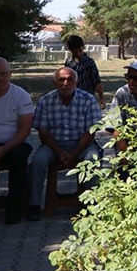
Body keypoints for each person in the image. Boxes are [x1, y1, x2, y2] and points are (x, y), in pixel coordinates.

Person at [28, 67, 102, 220]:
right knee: (37, 162)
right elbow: (43, 132)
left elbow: (91, 132)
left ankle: (93, 206)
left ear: (77, 82)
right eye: (61, 80)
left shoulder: (88, 99)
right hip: (53, 145)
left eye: (70, 79)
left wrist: (74, 154)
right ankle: (33, 206)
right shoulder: (46, 101)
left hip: (82, 145)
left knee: (92, 160)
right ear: (54, 83)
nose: (65, 83)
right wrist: (58, 152)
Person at [0, 57, 34, 224]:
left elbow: (25, 129)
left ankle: (14, 210)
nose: (0, 78)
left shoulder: (21, 96)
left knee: (18, 159)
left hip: (13, 144)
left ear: (10, 74)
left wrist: (4, 149)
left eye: (4, 74)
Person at [64, 35, 105, 109]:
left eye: (79, 50)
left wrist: (101, 98)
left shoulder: (89, 62)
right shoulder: (68, 62)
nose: (78, 53)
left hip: (87, 99)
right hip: (72, 99)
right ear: (70, 50)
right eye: (74, 51)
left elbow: (97, 81)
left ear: (83, 47)